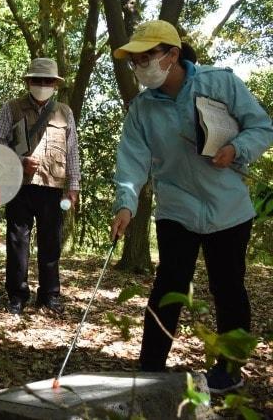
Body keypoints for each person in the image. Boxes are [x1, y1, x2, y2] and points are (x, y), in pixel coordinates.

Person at [109, 20, 273, 393]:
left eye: (146, 56)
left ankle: (229, 370)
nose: (139, 65)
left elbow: (262, 127)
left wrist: (237, 149)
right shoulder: (141, 108)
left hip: (228, 207)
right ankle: (150, 366)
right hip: (176, 208)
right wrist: (125, 205)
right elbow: (131, 160)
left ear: (172, 55)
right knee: (169, 285)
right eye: (134, 60)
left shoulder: (220, 83)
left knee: (228, 286)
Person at [0, 58, 81, 315]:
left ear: (55, 84)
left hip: (53, 187)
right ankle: (17, 295)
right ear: (28, 82)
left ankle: (50, 295)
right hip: (19, 186)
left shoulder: (65, 112)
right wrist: (19, 161)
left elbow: (72, 149)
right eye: (37, 80)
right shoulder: (11, 108)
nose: (42, 85)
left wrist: (73, 186)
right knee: (18, 241)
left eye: (48, 81)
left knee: (51, 241)